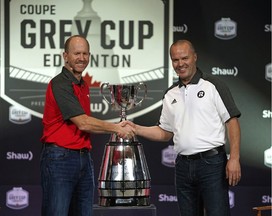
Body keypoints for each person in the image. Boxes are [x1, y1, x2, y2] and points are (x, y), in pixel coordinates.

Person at [127, 39, 241, 216]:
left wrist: (234, 158)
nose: (180, 64)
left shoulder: (214, 85)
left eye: (184, 58)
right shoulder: (170, 93)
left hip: (212, 164)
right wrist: (136, 128)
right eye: (175, 60)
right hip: (183, 167)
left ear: (195, 57)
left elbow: (232, 121)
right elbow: (165, 133)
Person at [40, 35, 135, 216]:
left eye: (85, 53)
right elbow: (83, 123)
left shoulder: (83, 85)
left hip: (84, 159)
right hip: (60, 158)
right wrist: (117, 128)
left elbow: (86, 125)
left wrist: (117, 127)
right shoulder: (60, 83)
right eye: (76, 53)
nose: (81, 58)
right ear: (65, 56)